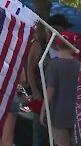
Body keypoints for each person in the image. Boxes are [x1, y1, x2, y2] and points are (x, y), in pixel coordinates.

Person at [27, 14, 70, 146]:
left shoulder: (66, 49)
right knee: (41, 137)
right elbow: (29, 70)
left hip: (59, 102)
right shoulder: (39, 45)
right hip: (42, 96)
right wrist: (34, 91)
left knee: (58, 139)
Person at [39, 31, 80, 146]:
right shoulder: (80, 66)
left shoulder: (54, 65)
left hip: (58, 115)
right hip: (76, 116)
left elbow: (50, 90)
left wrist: (43, 111)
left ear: (57, 45)